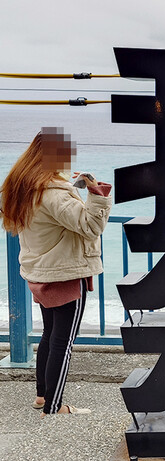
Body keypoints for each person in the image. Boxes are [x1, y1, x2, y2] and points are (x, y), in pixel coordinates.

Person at [0, 127, 112, 415]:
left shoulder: (23, 187)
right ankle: (55, 405)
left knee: (50, 334)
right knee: (64, 340)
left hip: (40, 272)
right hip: (64, 274)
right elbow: (91, 227)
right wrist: (96, 193)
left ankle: (42, 396)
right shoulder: (54, 194)